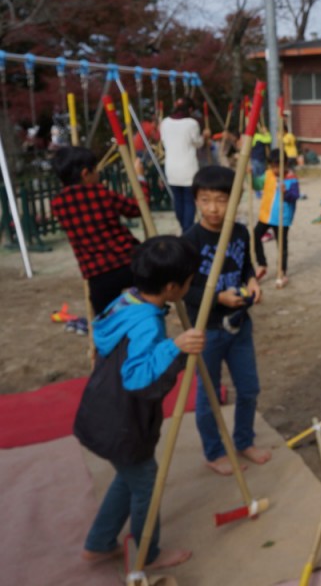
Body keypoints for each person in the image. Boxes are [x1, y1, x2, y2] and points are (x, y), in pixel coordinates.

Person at [74, 235, 203, 570]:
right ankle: (148, 553)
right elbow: (137, 378)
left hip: (103, 409)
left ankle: (99, 543)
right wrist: (174, 347)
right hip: (122, 420)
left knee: (130, 475)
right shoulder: (147, 322)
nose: (190, 286)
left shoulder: (126, 299)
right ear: (172, 287)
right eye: (189, 281)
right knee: (146, 483)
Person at [182, 166, 271, 475]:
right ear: (195, 200)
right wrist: (218, 298)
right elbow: (184, 291)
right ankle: (214, 452)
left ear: (234, 200)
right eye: (205, 200)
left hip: (239, 325)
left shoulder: (239, 232)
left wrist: (252, 281)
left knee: (249, 389)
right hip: (206, 331)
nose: (213, 208)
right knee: (209, 397)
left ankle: (244, 441)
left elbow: (245, 266)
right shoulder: (190, 241)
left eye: (221, 200)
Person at [51, 146, 147, 314]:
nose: (98, 174)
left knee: (105, 319)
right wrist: (140, 178)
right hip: (127, 262)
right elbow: (137, 208)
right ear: (85, 173)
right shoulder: (101, 194)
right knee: (148, 301)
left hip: (97, 273)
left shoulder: (57, 204)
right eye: (95, 170)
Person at [161, 98, 207, 231]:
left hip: (171, 166)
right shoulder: (192, 123)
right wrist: (204, 137)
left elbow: (164, 141)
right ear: (190, 109)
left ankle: (183, 226)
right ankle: (187, 229)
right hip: (188, 167)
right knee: (188, 200)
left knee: (178, 199)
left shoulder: (165, 122)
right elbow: (197, 143)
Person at [254, 149, 300, 286]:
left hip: (282, 218)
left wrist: (286, 193)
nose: (275, 170)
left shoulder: (291, 178)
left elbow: (295, 196)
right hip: (266, 215)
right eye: (273, 166)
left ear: (285, 164)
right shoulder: (268, 174)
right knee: (255, 236)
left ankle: (282, 272)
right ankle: (262, 264)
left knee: (281, 246)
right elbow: (257, 184)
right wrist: (249, 176)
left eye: (278, 166)